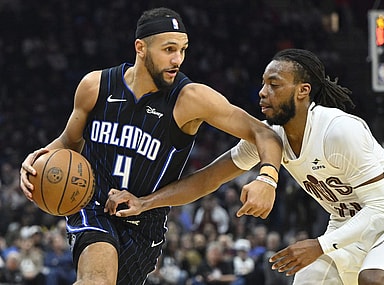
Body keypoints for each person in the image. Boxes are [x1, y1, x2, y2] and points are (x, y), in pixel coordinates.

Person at [105, 48, 384, 285]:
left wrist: (319, 244)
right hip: (348, 227)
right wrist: (144, 202)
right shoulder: (270, 137)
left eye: (274, 84)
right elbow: (208, 179)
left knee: (373, 279)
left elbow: (383, 210)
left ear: (303, 91)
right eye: (263, 84)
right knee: (307, 280)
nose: (262, 92)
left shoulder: (339, 130)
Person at [19, 7, 283, 284]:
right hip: (91, 205)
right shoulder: (95, 86)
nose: (177, 59)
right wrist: (38, 158)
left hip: (144, 224)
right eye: (169, 49)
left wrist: (268, 178)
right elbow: (68, 142)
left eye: (182, 50)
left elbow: (263, 134)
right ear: (140, 47)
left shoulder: (190, 99)